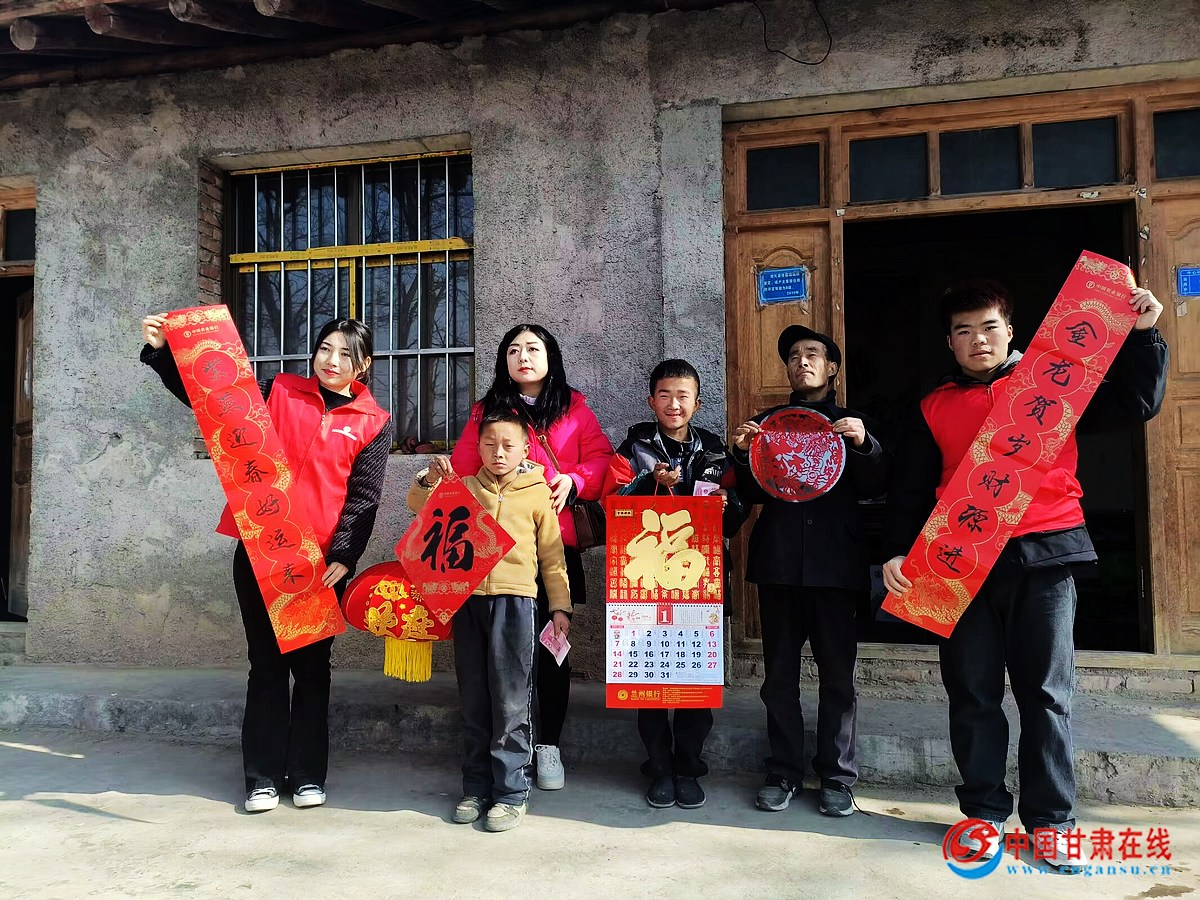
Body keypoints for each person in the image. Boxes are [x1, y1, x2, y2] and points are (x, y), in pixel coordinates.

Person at [881, 279, 1167, 868]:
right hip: (958, 563)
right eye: (963, 331)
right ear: (950, 343)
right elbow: (910, 488)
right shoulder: (933, 406)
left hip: (1045, 556)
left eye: (989, 327)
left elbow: (1136, 402)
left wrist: (1144, 336)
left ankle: (1051, 821)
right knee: (972, 693)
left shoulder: (1052, 386)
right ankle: (983, 813)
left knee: (1047, 695)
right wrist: (894, 552)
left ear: (1011, 331)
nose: (978, 340)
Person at [140, 315, 392, 813]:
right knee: (267, 665)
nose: (332, 360)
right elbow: (213, 401)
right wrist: (164, 354)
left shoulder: (373, 422)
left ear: (363, 365)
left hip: (319, 565)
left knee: (313, 670)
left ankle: (307, 775)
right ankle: (261, 777)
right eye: (325, 348)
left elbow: (363, 498)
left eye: (346, 354)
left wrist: (345, 555)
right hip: (261, 548)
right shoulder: (279, 391)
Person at [731, 325, 889, 817]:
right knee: (778, 677)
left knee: (838, 677)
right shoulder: (766, 425)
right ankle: (783, 771)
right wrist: (743, 454)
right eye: (794, 355)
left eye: (813, 354)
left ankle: (837, 777)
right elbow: (750, 494)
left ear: (832, 367)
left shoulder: (854, 425)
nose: (802, 361)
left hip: (836, 568)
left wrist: (864, 445)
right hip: (779, 565)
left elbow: (878, 484)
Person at [450, 323, 613, 791]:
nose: (523, 357)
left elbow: (604, 461)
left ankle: (549, 746)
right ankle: (497, 755)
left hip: (554, 549)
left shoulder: (574, 407)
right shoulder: (486, 411)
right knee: (495, 661)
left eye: (533, 349)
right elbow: (463, 470)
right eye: (514, 350)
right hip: (496, 554)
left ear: (550, 357)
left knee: (551, 648)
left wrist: (574, 480)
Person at [410, 410, 571, 832]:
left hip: (517, 604)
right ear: (478, 448)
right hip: (469, 604)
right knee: (474, 698)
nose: (499, 453)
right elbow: (418, 506)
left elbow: (552, 556)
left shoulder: (538, 494)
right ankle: (476, 788)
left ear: (525, 450)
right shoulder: (464, 487)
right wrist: (429, 478)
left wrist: (560, 607)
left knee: (512, 700)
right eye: (489, 444)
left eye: (508, 445)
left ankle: (512, 792)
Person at [607, 359, 745, 810]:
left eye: (683, 396)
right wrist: (648, 481)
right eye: (665, 395)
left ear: (697, 403)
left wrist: (728, 502)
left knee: (695, 679)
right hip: (645, 581)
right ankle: (659, 768)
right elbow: (611, 504)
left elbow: (735, 514)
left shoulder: (715, 450)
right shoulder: (634, 447)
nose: (674, 404)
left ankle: (689, 767)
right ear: (651, 401)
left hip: (699, 580)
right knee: (650, 679)